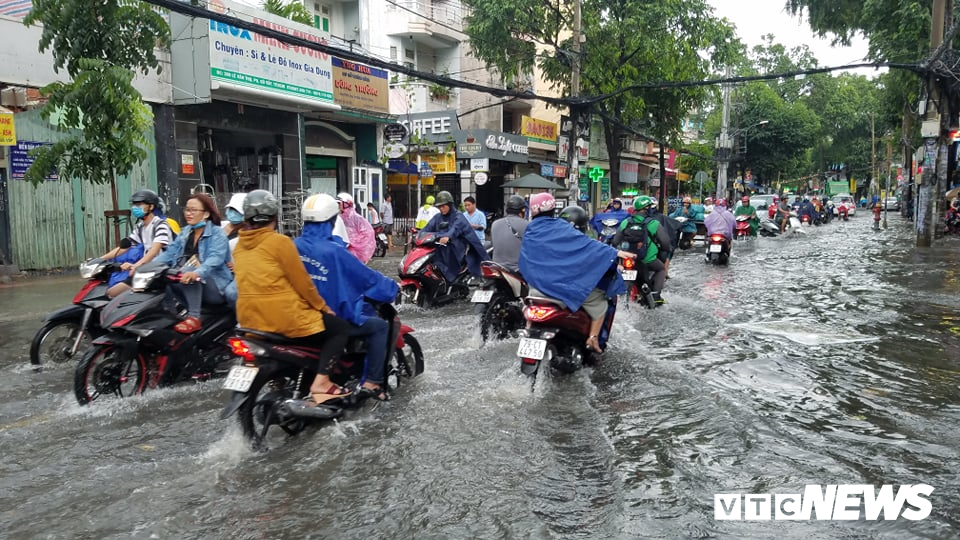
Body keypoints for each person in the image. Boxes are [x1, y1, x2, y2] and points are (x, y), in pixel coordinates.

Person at [233, 190, 353, 404]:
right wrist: (323, 308)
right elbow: (303, 284)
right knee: (340, 329)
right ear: (274, 217)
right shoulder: (281, 242)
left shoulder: (239, 247)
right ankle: (322, 382)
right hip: (283, 319)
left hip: (250, 320)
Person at [296, 193, 399, 401]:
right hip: (328, 320)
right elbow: (368, 279)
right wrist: (392, 288)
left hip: (295, 319)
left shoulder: (292, 245)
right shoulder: (335, 252)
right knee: (380, 327)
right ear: (333, 220)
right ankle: (372, 381)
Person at [521, 193, 636, 352]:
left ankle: (529, 328)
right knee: (599, 302)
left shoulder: (531, 229)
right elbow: (589, 246)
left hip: (537, 287)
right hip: (561, 288)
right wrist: (613, 253)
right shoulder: (561, 229)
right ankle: (593, 339)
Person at [154, 193, 236, 334]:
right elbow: (169, 253)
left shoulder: (217, 234)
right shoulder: (185, 232)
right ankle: (171, 314)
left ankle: (194, 317)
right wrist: (146, 267)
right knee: (163, 275)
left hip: (214, 286)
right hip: (188, 282)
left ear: (206, 214)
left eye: (193, 210)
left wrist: (196, 272)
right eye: (187, 209)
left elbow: (214, 259)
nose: (189, 213)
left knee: (190, 270)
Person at [98, 189, 173, 297]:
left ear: (151, 207)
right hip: (145, 271)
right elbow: (125, 247)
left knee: (117, 295)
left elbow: (154, 251)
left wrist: (136, 265)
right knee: (111, 293)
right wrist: (101, 259)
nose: (135, 208)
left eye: (139, 204)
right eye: (134, 204)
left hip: (159, 271)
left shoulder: (160, 225)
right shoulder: (140, 227)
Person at [420, 190, 489, 287]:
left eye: (444, 206)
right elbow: (427, 228)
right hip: (439, 246)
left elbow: (455, 229)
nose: (441, 209)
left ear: (450, 204)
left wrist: (448, 236)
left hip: (455, 248)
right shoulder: (437, 217)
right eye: (440, 207)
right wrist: (417, 235)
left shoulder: (458, 216)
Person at [612, 196, 672, 306]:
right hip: (647, 259)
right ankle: (656, 295)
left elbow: (615, 241)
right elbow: (665, 242)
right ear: (647, 208)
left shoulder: (626, 222)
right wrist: (667, 248)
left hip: (628, 258)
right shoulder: (653, 223)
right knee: (661, 270)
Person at [490, 195, 528, 272]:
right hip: (517, 269)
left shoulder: (495, 224)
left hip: (496, 268)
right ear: (523, 210)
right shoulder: (527, 225)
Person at [336, 193, 375, 263]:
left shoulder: (356, 218)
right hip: (341, 249)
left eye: (339, 203)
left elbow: (368, 233)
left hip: (354, 253)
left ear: (346, 204)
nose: (338, 206)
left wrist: (353, 242)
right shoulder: (338, 218)